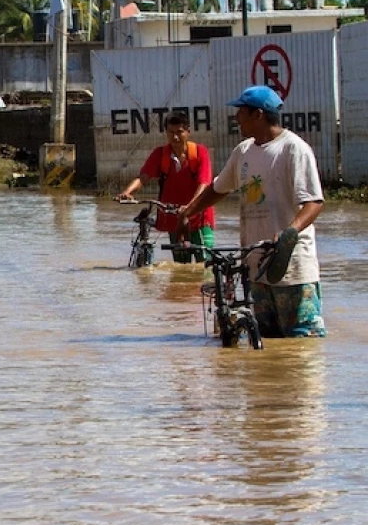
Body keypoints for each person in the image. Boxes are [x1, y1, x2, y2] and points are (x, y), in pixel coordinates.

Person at [179, 85, 326, 338]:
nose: (236, 118)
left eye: (241, 112)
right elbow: (218, 188)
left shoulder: (293, 149)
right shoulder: (243, 151)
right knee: (266, 340)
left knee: (302, 340)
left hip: (291, 265)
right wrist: (189, 212)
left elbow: (314, 202)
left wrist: (290, 231)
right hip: (256, 266)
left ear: (258, 114)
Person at [116, 111, 216, 263]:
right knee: (181, 268)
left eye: (179, 132)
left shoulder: (199, 153)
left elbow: (204, 183)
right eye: (171, 132)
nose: (175, 137)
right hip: (173, 218)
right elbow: (143, 177)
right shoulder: (160, 154)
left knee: (206, 264)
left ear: (188, 132)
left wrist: (190, 207)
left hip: (199, 218)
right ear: (166, 132)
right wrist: (127, 192)